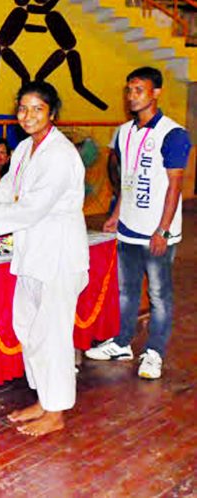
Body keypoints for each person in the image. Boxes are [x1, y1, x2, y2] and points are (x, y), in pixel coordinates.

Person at [0, 81, 88, 437]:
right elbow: (9, 193)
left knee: (53, 334)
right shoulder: (25, 148)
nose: (28, 116)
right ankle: (45, 398)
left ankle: (56, 412)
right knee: (28, 327)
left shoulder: (60, 155)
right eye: (23, 109)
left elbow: (31, 207)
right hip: (32, 253)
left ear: (52, 113)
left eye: (37, 109)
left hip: (57, 255)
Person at [85, 67, 191, 379]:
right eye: (129, 90)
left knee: (159, 294)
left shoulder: (173, 134)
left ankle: (154, 352)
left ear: (156, 92)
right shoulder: (123, 132)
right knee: (127, 291)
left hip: (157, 231)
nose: (132, 96)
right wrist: (116, 213)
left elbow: (175, 186)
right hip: (128, 228)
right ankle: (121, 343)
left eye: (139, 90)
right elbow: (126, 179)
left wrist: (163, 229)